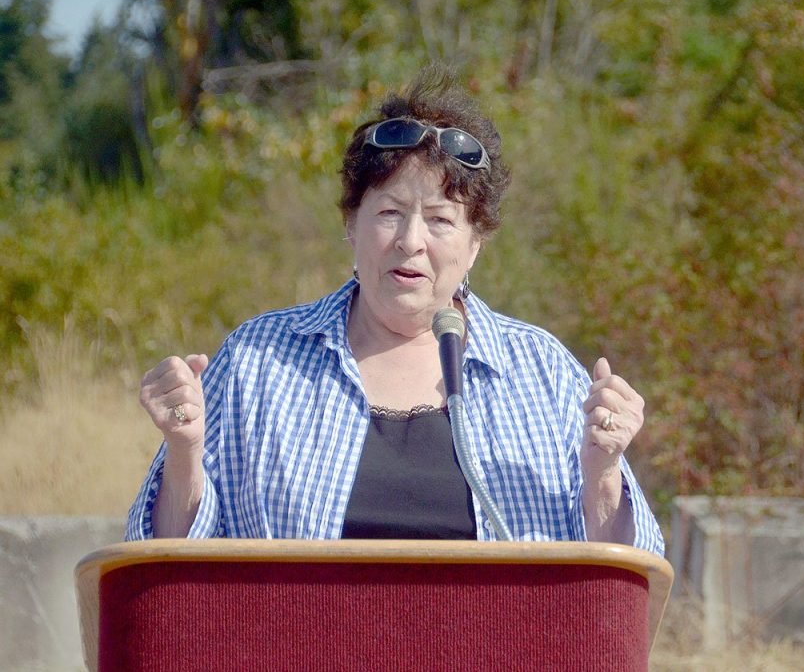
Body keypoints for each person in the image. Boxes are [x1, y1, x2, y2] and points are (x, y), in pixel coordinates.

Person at [125, 69, 664, 556]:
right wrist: (185, 450)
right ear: (351, 224)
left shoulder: (541, 372)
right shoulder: (258, 361)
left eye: (440, 220)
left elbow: (621, 586)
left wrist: (602, 471)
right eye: (389, 213)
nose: (411, 241)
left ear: (475, 244)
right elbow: (162, 566)